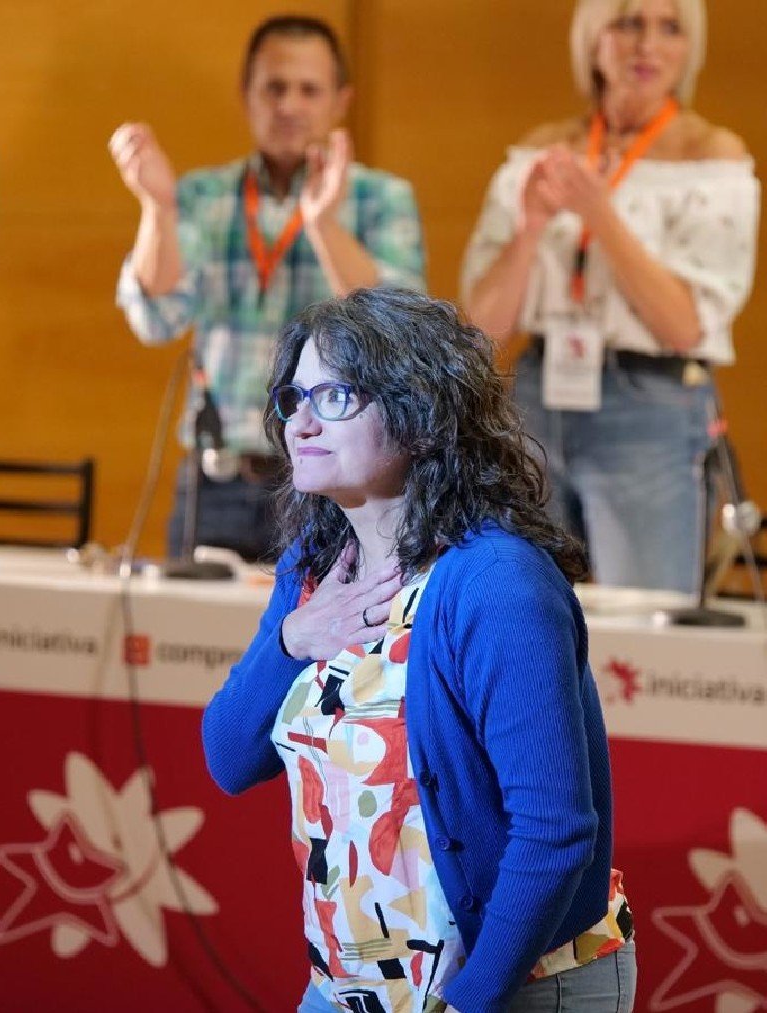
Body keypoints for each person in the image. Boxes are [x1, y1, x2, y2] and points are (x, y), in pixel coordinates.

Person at [203, 288, 635, 1013]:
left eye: (334, 395)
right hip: (351, 988)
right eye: (293, 397)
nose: (300, 422)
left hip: (515, 985)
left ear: (422, 416)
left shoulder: (497, 584)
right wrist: (291, 639)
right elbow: (228, 759)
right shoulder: (316, 565)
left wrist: (470, 1001)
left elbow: (556, 834)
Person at [461, 0, 758, 595]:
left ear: (688, 47)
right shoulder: (540, 152)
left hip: (648, 404)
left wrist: (602, 212)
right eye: (629, 23)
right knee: (517, 610)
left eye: (669, 28)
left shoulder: (713, 155)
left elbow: (684, 327)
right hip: (538, 393)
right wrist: (531, 229)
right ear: (593, 38)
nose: (647, 44)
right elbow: (481, 329)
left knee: (642, 631)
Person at [111, 15, 425, 563]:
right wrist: (157, 209)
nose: (289, 106)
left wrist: (323, 223)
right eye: (274, 88)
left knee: (327, 647)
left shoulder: (381, 199)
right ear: (246, 95)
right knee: (193, 644)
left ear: (341, 101)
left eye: (309, 90)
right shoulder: (205, 195)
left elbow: (400, 336)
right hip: (220, 480)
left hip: (337, 481)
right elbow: (155, 317)